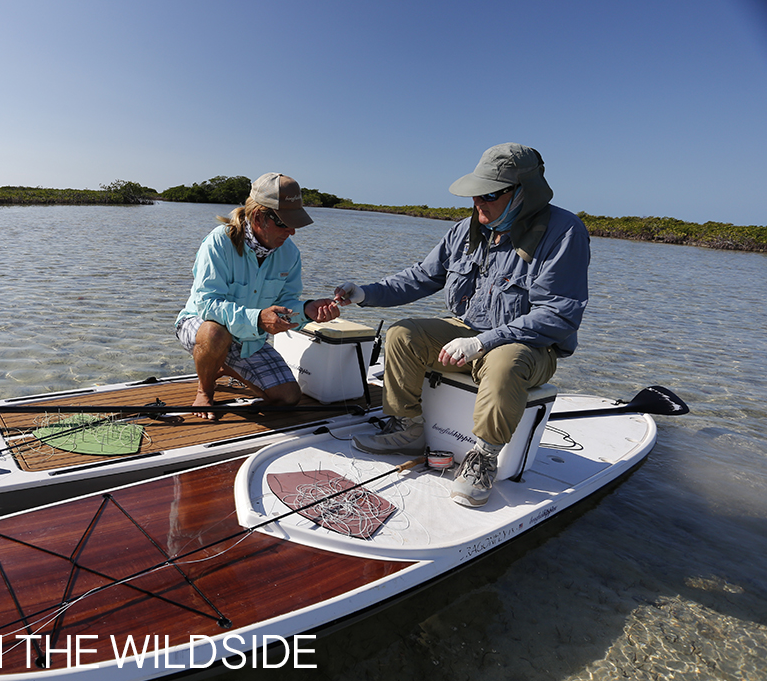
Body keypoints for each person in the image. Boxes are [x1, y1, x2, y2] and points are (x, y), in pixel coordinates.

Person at [335, 143, 590, 508]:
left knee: (505, 361)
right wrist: (363, 293)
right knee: (402, 333)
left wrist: (485, 342)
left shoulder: (565, 232)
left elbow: (559, 315)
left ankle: (483, 458)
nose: (478, 203)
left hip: (531, 346)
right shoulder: (465, 230)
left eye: (489, 194)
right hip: (466, 330)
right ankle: (406, 428)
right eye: (475, 194)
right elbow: (421, 277)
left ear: (523, 192)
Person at [176, 173, 341, 420]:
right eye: (285, 223)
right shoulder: (218, 243)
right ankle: (205, 389)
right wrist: (256, 319)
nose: (292, 231)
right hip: (198, 323)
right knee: (214, 333)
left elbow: (286, 304)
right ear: (258, 217)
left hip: (249, 336)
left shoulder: (290, 254)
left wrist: (307, 310)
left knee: (288, 398)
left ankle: (223, 364)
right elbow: (207, 305)